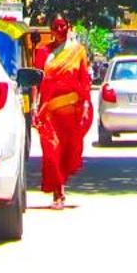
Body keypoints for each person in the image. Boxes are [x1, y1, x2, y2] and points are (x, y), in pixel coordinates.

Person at [31, 17, 93, 209]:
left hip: (71, 111)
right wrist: (34, 106)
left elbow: (84, 81)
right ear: (50, 30)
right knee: (51, 150)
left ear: (68, 27)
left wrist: (84, 107)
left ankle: (61, 186)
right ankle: (58, 192)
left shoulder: (78, 52)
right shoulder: (43, 52)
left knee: (67, 151)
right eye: (55, 27)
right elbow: (36, 81)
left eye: (62, 26)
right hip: (48, 111)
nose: (59, 29)